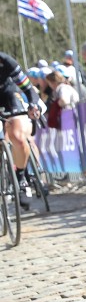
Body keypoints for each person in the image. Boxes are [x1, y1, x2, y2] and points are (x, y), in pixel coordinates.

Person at [0, 51, 38, 198]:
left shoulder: (6, 61)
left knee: (17, 137)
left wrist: (33, 105)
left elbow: (28, 88)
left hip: (8, 95)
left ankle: (21, 176)